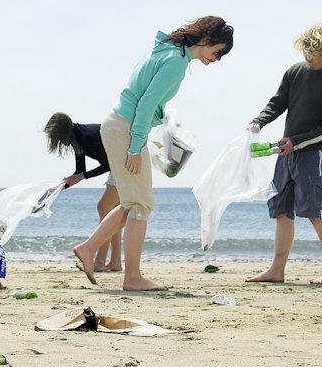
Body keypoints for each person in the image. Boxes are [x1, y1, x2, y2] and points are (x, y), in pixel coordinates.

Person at [71, 17, 235, 292]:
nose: (216, 59)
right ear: (206, 41)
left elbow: (146, 100)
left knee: (133, 202)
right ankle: (132, 277)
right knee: (141, 206)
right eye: (218, 52)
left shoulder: (167, 50)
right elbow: (146, 103)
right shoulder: (176, 62)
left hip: (119, 125)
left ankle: (89, 248)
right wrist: (135, 147)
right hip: (126, 128)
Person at [246, 23, 322, 286]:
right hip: (285, 152)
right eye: (305, 53)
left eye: (312, 54)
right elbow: (278, 101)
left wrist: (298, 142)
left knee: (316, 213)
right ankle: (276, 270)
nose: (308, 58)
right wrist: (260, 120)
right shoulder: (295, 72)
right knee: (281, 211)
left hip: (312, 154)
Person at [44, 113, 120, 272]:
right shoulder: (76, 139)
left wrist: (82, 176)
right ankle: (115, 262)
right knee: (114, 214)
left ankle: (99, 262)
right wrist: (57, 189)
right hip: (119, 163)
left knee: (104, 209)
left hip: (124, 161)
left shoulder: (85, 136)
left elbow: (107, 165)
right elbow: (79, 172)